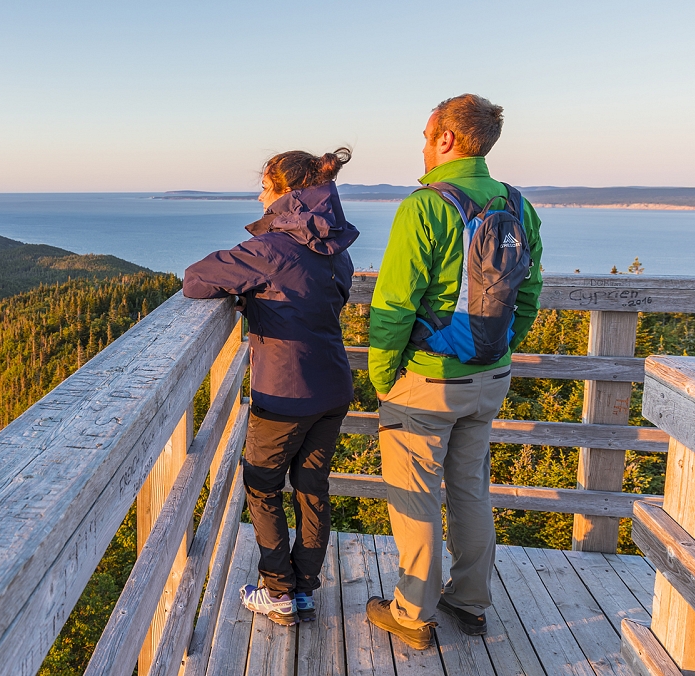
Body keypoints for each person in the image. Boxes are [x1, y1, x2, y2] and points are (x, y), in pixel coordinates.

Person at [364, 94, 543, 649]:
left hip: (427, 380)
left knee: (416, 496)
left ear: (446, 139)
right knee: (469, 489)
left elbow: (393, 303)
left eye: (425, 135)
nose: (421, 146)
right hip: (490, 377)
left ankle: (413, 615)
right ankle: (469, 601)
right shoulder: (518, 205)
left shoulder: (426, 206)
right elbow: (529, 295)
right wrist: (500, 349)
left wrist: (382, 375)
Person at [183, 148, 359, 626]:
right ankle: (303, 589)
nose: (259, 195)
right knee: (311, 488)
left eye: (264, 186)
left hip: (284, 394)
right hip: (333, 386)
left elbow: (196, 279)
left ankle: (277, 590)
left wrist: (248, 292)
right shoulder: (334, 246)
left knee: (262, 485)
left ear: (286, 192)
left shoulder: (272, 249)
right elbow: (319, 296)